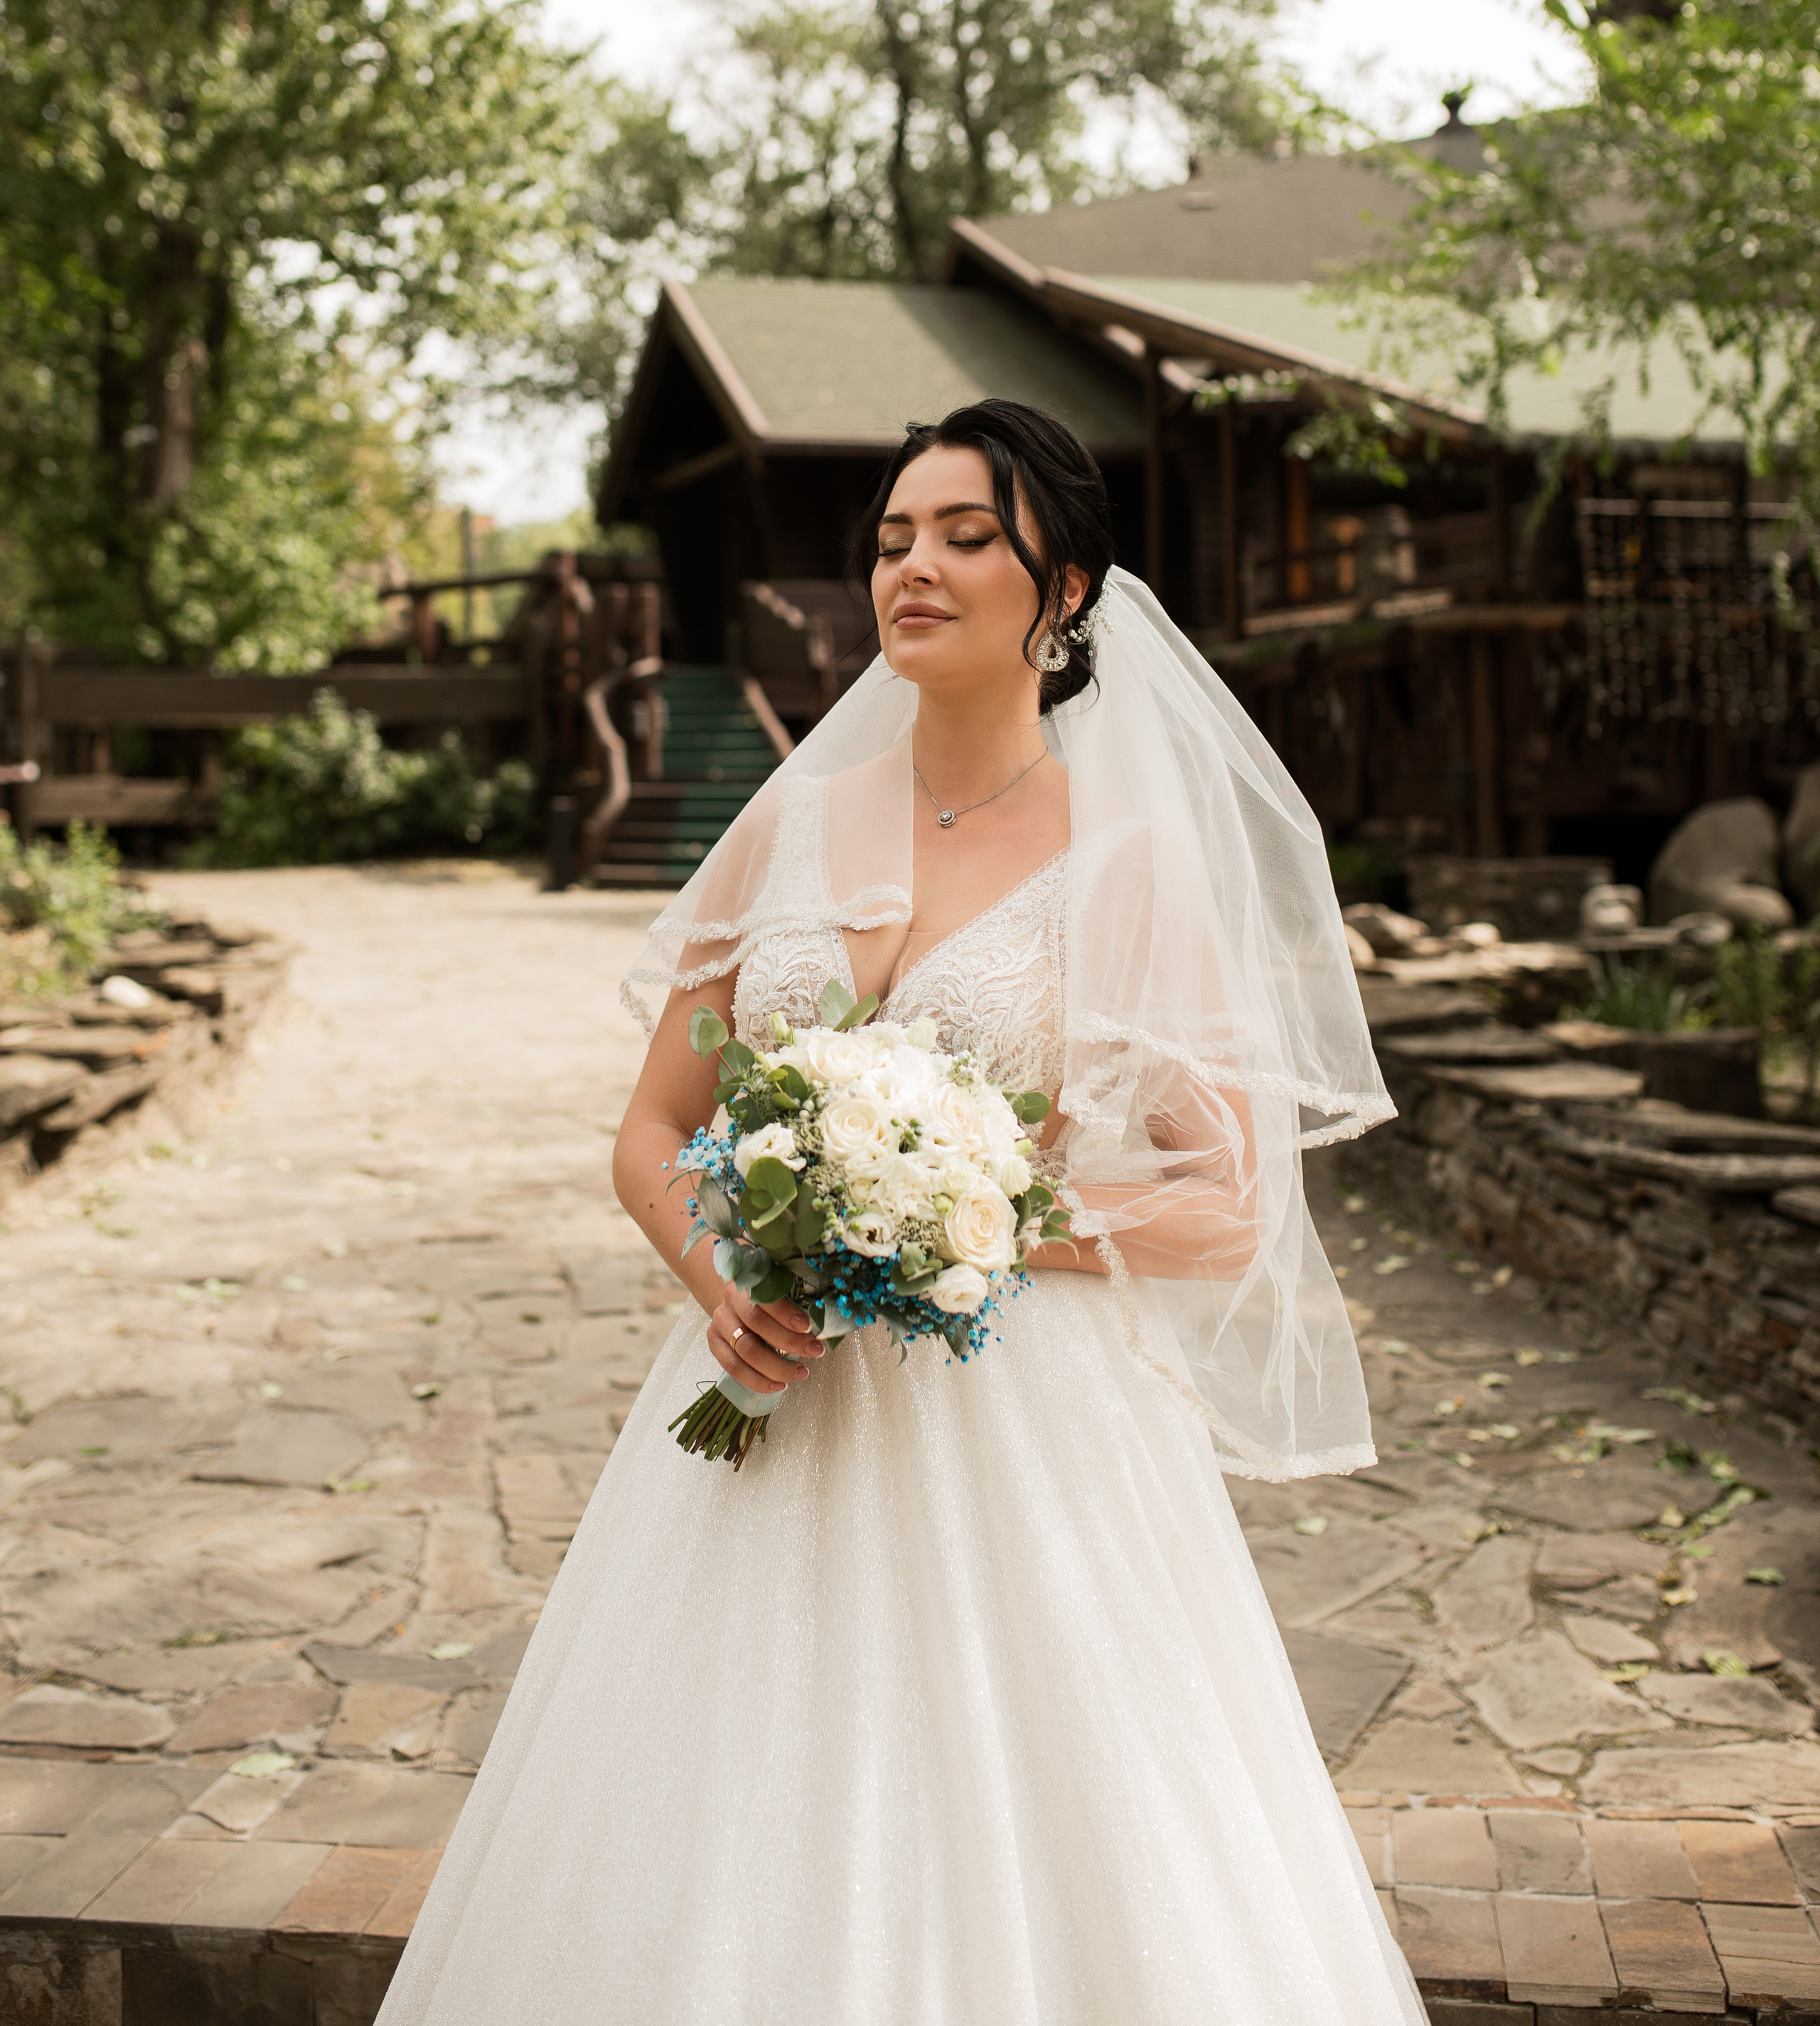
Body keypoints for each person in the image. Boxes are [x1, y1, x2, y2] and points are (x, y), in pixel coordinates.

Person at [378, 398, 1425, 2026]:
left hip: (1029, 1436)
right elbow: (656, 1128)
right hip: (763, 1399)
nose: (911, 569)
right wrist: (720, 1268)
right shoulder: (792, 821)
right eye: (888, 539)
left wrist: (976, 1224)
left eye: (963, 536)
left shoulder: (1127, 862)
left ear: (1061, 592)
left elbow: (1226, 1205)